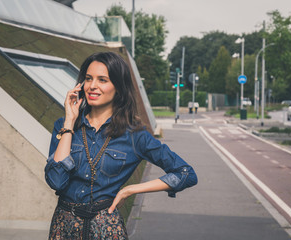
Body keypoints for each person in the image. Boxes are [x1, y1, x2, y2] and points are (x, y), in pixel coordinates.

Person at [44, 52, 197, 240]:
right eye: (88, 79)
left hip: (106, 229)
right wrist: (69, 123)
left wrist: (130, 190)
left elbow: (185, 173)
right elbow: (56, 181)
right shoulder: (63, 125)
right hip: (63, 228)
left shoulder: (135, 135)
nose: (92, 86)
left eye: (103, 80)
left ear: (118, 87)